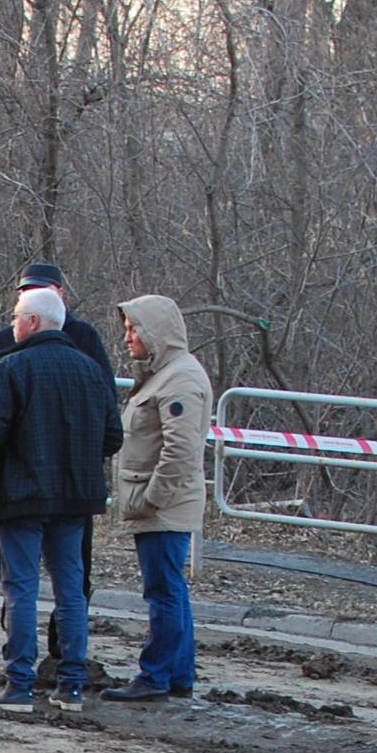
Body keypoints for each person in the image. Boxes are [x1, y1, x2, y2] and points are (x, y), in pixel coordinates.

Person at [0, 286, 118, 713]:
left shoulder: (12, 368)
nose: (12, 323)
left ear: (32, 322)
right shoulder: (90, 371)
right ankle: (71, 684)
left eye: (16, 316)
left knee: (21, 587)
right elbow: (113, 436)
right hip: (74, 498)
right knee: (71, 588)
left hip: (21, 496)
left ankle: (19, 682)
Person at [105, 293, 212, 702]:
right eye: (128, 329)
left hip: (163, 508)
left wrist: (152, 498)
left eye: (135, 329)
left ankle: (156, 675)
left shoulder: (178, 377)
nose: (128, 337)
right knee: (170, 590)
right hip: (159, 504)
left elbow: (180, 450)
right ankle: (177, 674)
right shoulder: (163, 373)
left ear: (156, 333)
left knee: (163, 591)